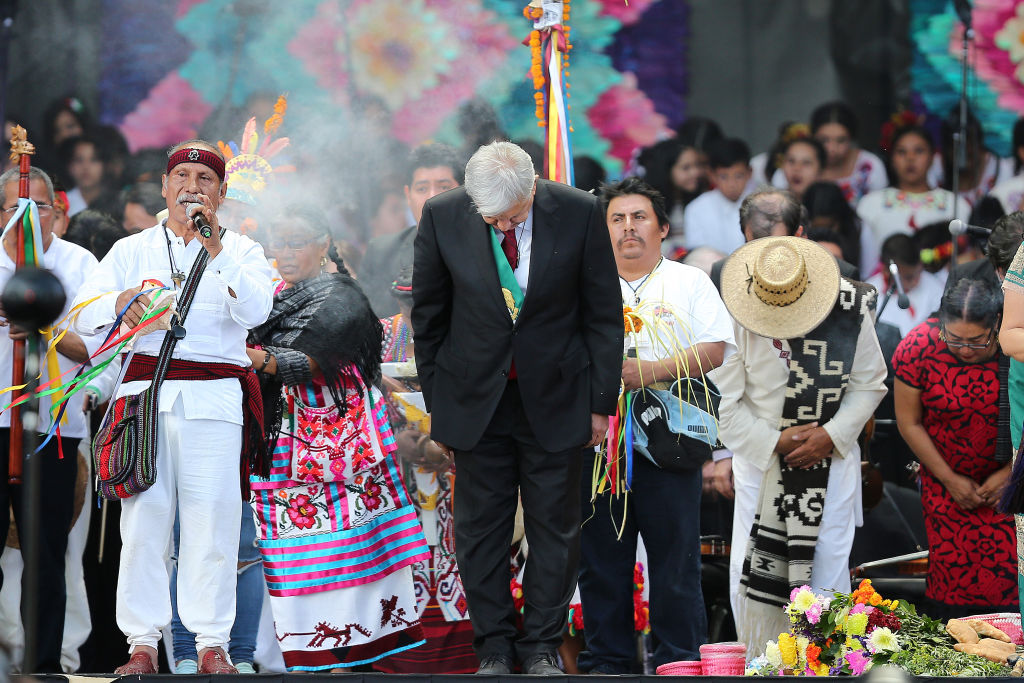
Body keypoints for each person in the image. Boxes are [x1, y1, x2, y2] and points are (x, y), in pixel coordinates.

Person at [412, 140, 622, 675]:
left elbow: (602, 314)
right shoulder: (443, 214)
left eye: (513, 216)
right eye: (492, 219)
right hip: (475, 402)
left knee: (555, 530)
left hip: (557, 397)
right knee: (481, 532)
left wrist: (600, 405)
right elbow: (430, 318)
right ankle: (496, 648)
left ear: (533, 188)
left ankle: (542, 647)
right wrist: (441, 407)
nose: (502, 226)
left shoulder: (579, 211)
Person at [71, 139, 274, 674]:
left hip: (215, 401)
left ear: (222, 193)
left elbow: (257, 306)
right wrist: (122, 301)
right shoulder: (131, 249)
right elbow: (83, 313)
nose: (191, 186)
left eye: (204, 179)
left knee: (214, 523)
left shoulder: (243, 251)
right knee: (143, 525)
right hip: (146, 401)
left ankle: (212, 645)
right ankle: (142, 644)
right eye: (181, 175)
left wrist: (215, 247)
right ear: (164, 186)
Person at [247, 206, 429, 671]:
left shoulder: (340, 296)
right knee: (295, 557)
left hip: (348, 443)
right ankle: (304, 657)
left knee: (357, 554)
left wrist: (242, 353)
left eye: (296, 242)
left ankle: (359, 659)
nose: (284, 254)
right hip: (284, 442)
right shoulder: (266, 296)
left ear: (324, 243)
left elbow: (303, 362)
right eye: (278, 243)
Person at [576, 178, 735, 673]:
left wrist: (649, 372)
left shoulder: (689, 281)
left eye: (639, 217)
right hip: (597, 444)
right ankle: (608, 664)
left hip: (671, 447)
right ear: (603, 231)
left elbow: (714, 348)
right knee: (600, 565)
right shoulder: (581, 286)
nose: (629, 228)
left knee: (675, 566)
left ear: (663, 227)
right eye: (617, 219)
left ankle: (679, 663)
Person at [712, 236, 886, 651]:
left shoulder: (848, 307)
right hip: (761, 460)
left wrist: (832, 435)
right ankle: (765, 663)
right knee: (748, 570)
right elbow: (723, 404)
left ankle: (827, 668)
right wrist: (774, 440)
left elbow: (870, 384)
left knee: (828, 570)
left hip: (833, 458)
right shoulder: (734, 309)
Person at [0, 166, 100, 673]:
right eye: (15, 206)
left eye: (37, 206)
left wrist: (46, 327)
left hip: (54, 427)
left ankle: (42, 665)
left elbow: (101, 351)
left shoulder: (80, 264)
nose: (28, 217)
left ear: (58, 212)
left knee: (46, 553)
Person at [893, 277, 1016, 619]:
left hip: (1014, 484)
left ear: (996, 325)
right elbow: (909, 422)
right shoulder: (919, 347)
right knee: (951, 591)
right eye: (954, 339)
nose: (963, 350)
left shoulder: (1015, 346)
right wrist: (949, 479)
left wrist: (1010, 474)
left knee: (1010, 592)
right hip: (945, 486)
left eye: (977, 342)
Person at [374, 266, 477, 674]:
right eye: (407, 302)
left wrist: (450, 442)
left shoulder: (474, 332)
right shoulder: (378, 336)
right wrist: (394, 439)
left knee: (466, 561)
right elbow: (351, 400)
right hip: (393, 471)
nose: (417, 310)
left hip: (460, 469)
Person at [359, 143, 462, 318]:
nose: (432, 197)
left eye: (443, 187)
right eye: (422, 189)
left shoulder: (487, 247)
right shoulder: (381, 253)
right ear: (407, 195)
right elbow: (368, 323)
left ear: (464, 192)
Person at [708, 188, 859, 291]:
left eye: (776, 247)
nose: (765, 258)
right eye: (753, 247)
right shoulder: (724, 273)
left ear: (798, 235)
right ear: (745, 236)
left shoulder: (839, 274)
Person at [858, 121, 970, 248]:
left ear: (932, 157)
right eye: (901, 152)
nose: (910, 158)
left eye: (919, 151)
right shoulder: (870, 204)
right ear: (892, 159)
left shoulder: (956, 204)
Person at [683, 138, 754, 255]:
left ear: (750, 173)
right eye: (724, 177)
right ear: (711, 175)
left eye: (738, 176)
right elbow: (698, 254)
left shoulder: (763, 204)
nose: (732, 184)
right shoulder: (696, 209)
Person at [809, 101, 888, 206]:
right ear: (813, 137)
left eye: (841, 140)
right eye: (824, 140)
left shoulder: (870, 166)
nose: (832, 149)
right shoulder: (798, 165)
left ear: (851, 139)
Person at [868, 233, 944, 337]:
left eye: (919, 273)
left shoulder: (936, 289)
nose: (916, 281)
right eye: (908, 278)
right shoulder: (867, 293)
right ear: (886, 270)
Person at [637, 138, 707, 249]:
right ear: (666, 170)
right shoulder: (647, 205)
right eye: (686, 168)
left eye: (697, 165)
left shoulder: (702, 199)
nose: (696, 172)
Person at [803, 180, 873, 274]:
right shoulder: (799, 232)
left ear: (842, 219)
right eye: (817, 228)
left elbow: (868, 276)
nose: (824, 233)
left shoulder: (860, 230)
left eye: (830, 227)